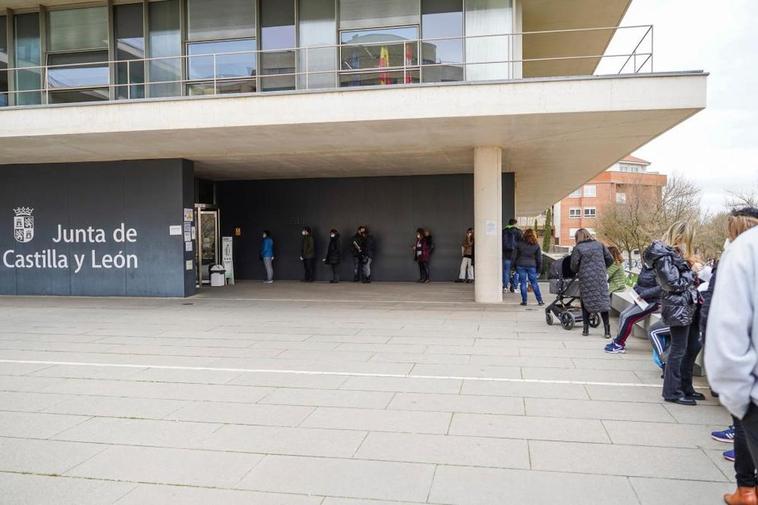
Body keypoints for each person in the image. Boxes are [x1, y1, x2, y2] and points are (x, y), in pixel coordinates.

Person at [704, 207, 758, 505]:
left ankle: (746, 489)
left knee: (741, 427)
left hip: (752, 389)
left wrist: (738, 399)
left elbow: (728, 327)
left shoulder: (744, 252)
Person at [644, 221, 702, 406]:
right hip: (678, 306)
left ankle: (686, 387)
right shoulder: (663, 256)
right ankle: (672, 392)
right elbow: (672, 283)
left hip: (687, 305)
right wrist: (692, 273)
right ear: (680, 238)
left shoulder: (671, 254)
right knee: (678, 349)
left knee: (692, 346)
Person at [604, 262, 661, 353]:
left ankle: (619, 344)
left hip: (653, 302)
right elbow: (639, 282)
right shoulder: (646, 267)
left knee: (628, 318)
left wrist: (643, 294)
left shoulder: (659, 268)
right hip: (642, 300)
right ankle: (618, 339)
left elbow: (660, 288)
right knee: (623, 314)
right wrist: (635, 290)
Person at [571, 228, 613, 337]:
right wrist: (602, 267)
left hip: (585, 278)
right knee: (603, 302)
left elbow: (574, 266)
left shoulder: (578, 248)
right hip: (600, 277)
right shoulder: (600, 245)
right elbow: (610, 259)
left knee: (586, 302)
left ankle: (585, 330)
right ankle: (607, 332)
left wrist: (580, 269)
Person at [512, 228, 544, 306]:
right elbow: (539, 259)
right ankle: (540, 301)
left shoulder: (519, 244)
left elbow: (514, 256)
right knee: (534, 283)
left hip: (520, 265)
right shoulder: (536, 245)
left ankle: (524, 301)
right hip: (532, 266)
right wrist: (539, 270)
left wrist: (513, 267)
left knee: (523, 283)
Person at [502, 219, 522, 292]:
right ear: (515, 224)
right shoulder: (518, 232)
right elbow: (521, 244)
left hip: (505, 254)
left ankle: (505, 287)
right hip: (515, 254)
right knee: (516, 271)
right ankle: (514, 287)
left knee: (506, 271)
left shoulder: (503, 231)